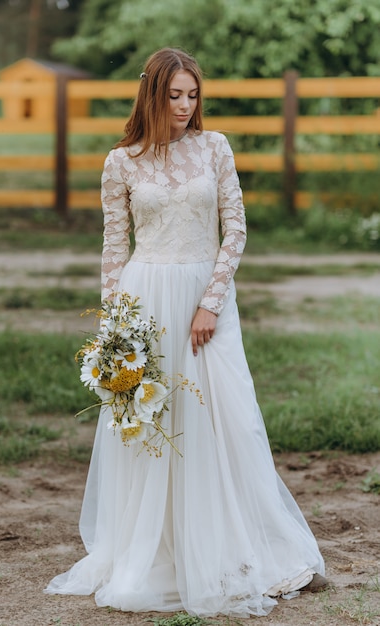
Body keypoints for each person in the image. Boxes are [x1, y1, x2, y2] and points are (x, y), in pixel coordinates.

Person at [45, 47, 327, 617]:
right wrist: (115, 331)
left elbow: (236, 229)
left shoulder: (215, 147)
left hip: (206, 299)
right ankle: (159, 550)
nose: (184, 105)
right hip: (145, 297)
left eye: (192, 94)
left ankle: (240, 549)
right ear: (152, 95)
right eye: (174, 95)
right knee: (154, 421)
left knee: (227, 417)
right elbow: (113, 247)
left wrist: (211, 302)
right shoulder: (120, 162)